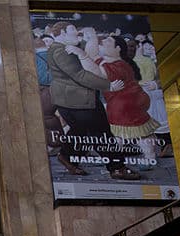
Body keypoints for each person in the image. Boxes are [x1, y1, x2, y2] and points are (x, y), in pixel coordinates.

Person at [45, 23, 139, 180]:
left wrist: (90, 39)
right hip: (79, 100)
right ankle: (117, 168)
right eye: (73, 30)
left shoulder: (64, 47)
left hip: (72, 99)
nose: (78, 32)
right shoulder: (61, 51)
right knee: (101, 134)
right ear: (62, 32)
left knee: (80, 130)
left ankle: (66, 157)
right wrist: (109, 86)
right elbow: (80, 75)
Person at [66, 32, 159, 161]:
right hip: (128, 102)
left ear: (118, 48)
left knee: (131, 133)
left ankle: (145, 158)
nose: (103, 42)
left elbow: (95, 71)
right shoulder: (107, 62)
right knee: (131, 132)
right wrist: (92, 36)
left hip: (126, 104)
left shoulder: (118, 66)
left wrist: (81, 54)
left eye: (108, 41)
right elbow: (93, 55)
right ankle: (118, 159)